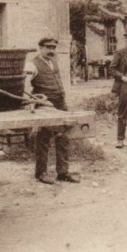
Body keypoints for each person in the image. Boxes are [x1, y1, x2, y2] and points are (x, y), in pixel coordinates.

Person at [24, 37, 80, 185]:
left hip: (60, 104)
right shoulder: (32, 65)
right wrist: (32, 104)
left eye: (53, 48)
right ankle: (41, 173)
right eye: (48, 47)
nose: (51, 51)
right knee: (44, 138)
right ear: (41, 48)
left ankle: (63, 172)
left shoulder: (54, 62)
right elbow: (26, 86)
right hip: (45, 106)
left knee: (63, 137)